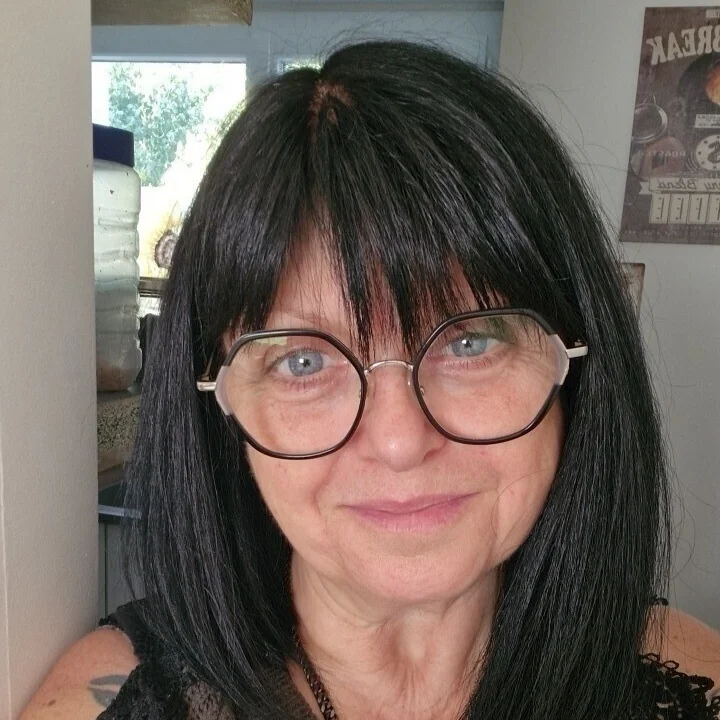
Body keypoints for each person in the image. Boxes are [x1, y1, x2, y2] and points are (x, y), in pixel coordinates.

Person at [22, 40, 720, 720]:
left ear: (576, 363)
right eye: (303, 362)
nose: (398, 442)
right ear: (219, 402)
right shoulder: (113, 702)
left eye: (470, 341)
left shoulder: (692, 684)